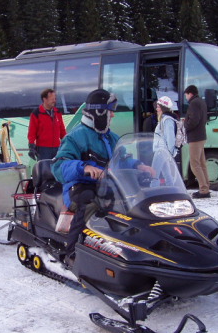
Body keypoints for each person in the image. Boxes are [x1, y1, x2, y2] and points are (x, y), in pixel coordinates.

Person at [52, 89, 154, 265]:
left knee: (134, 203)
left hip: (107, 186)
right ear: (99, 112)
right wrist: (84, 167)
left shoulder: (111, 138)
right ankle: (71, 253)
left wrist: (139, 165)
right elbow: (58, 166)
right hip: (80, 187)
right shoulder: (75, 137)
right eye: (110, 111)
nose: (113, 116)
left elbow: (122, 160)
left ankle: (135, 247)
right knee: (88, 204)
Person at [183, 85, 210, 198]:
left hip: (195, 137)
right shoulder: (201, 102)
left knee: (195, 164)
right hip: (201, 135)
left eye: (186, 95)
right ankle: (206, 186)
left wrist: (185, 126)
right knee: (201, 163)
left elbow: (194, 120)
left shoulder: (194, 103)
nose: (186, 98)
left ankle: (203, 189)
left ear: (190, 94)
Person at [27, 88, 67, 161]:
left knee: (57, 170)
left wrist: (67, 143)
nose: (54, 101)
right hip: (43, 150)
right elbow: (31, 132)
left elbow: (62, 131)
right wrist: (31, 146)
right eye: (52, 99)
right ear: (44, 100)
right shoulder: (36, 114)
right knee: (44, 171)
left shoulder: (57, 112)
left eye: (54, 98)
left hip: (57, 148)